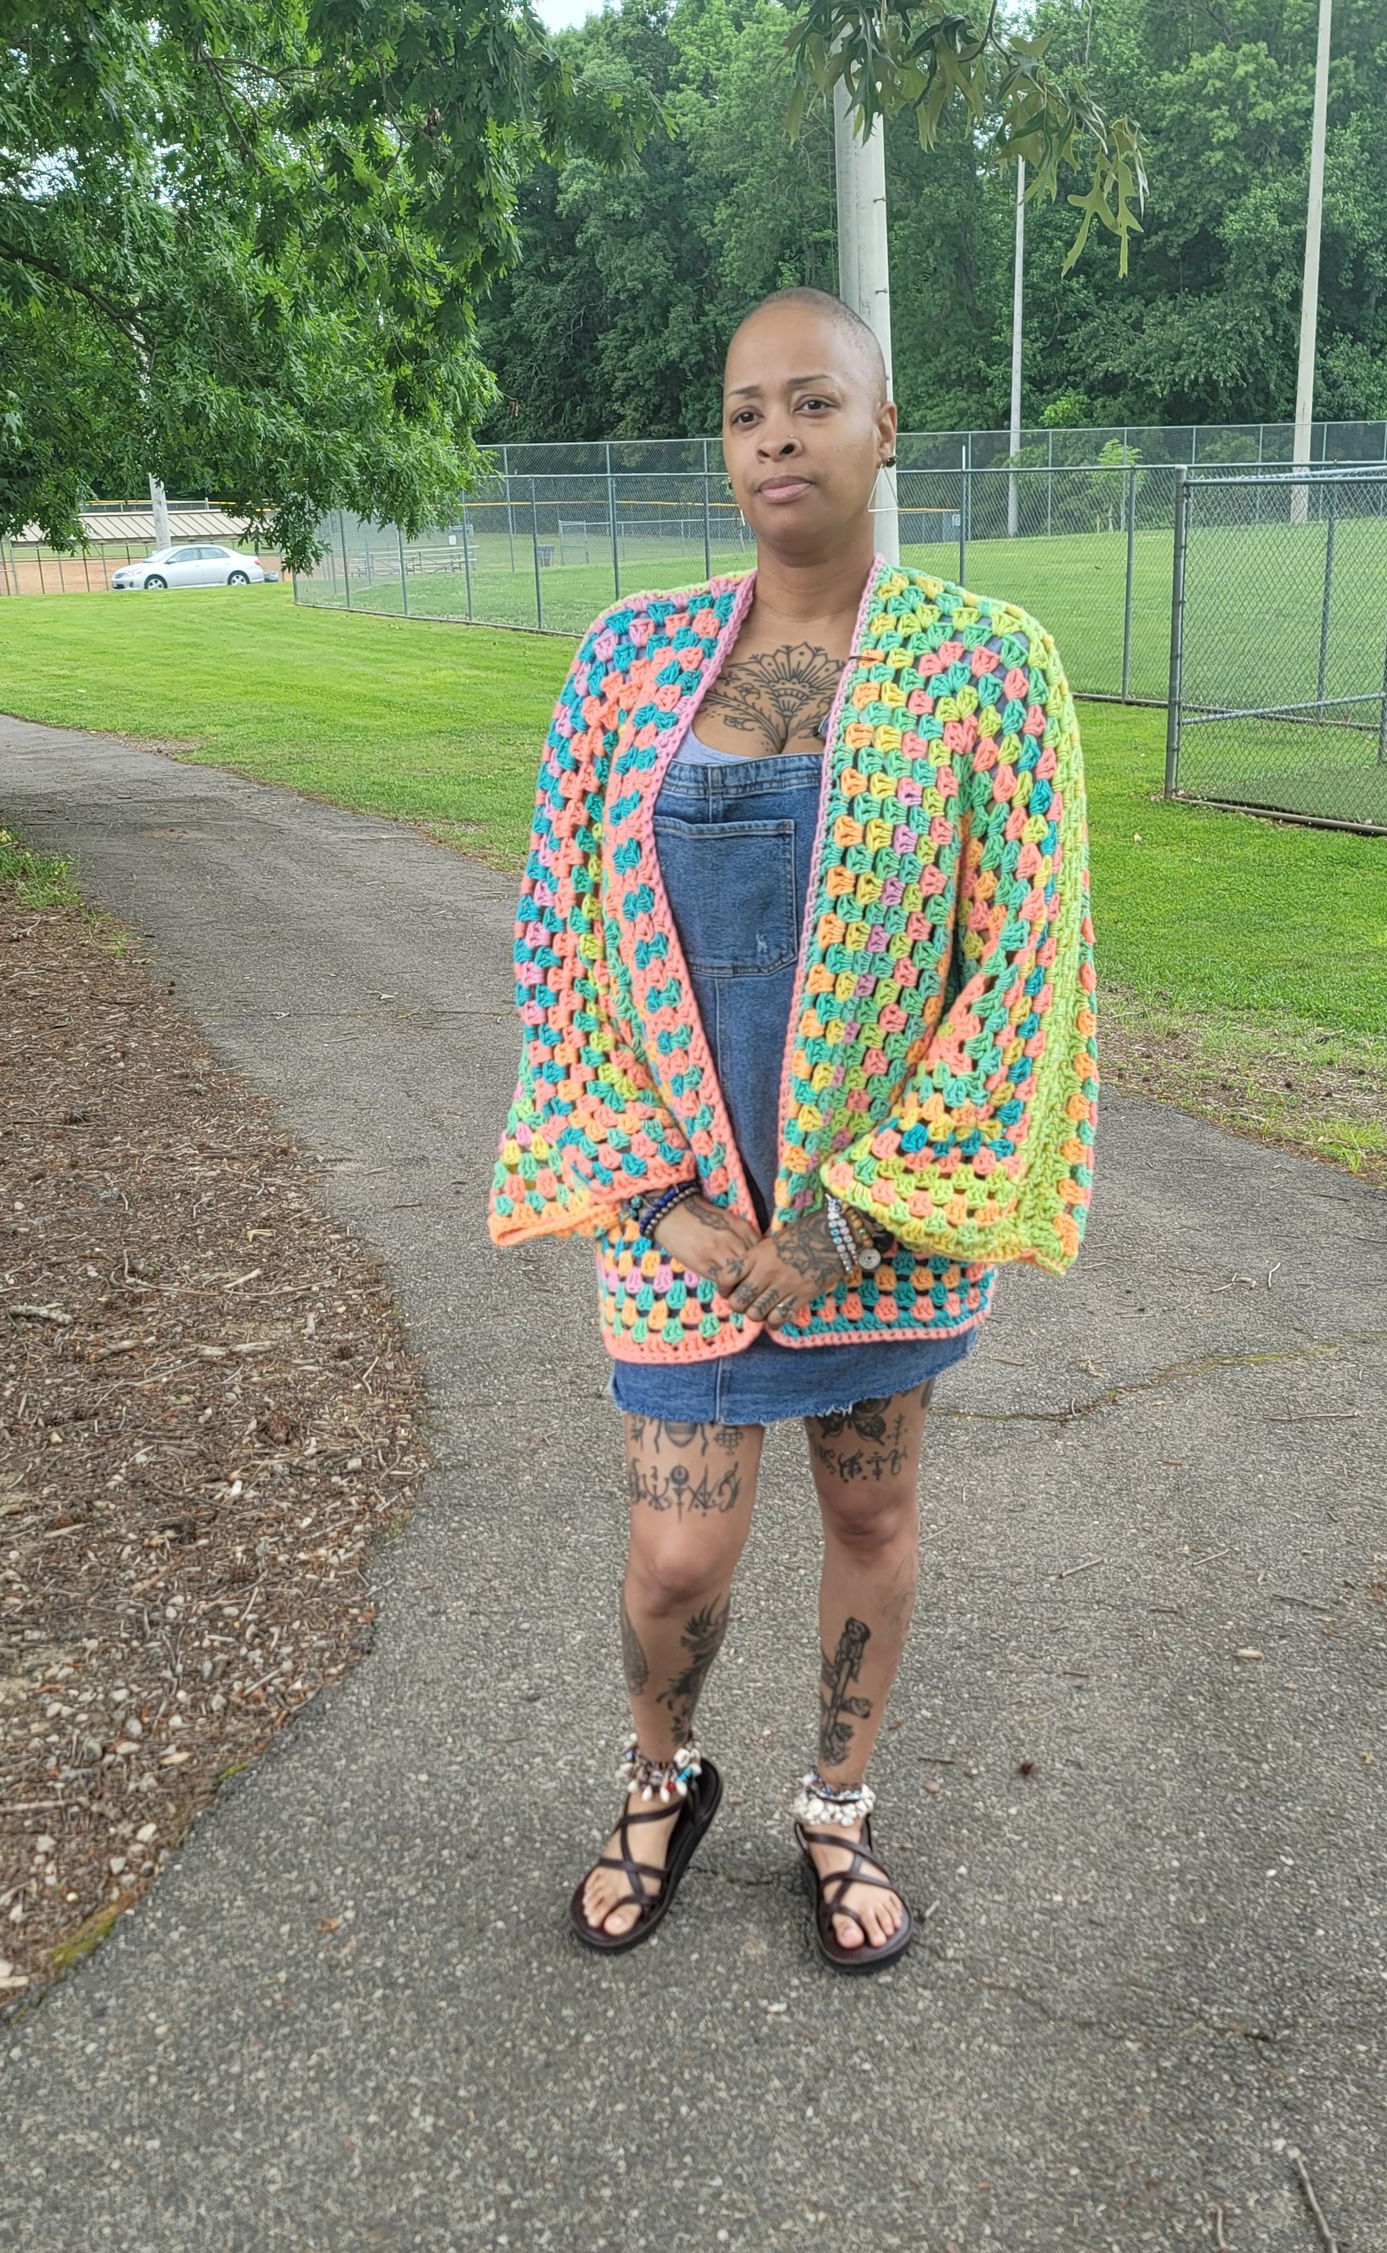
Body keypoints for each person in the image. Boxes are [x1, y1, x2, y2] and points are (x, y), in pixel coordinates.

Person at [488, 285, 1098, 1972]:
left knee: (872, 1522)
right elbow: (563, 943)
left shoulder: (986, 668)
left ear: (885, 426)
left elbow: (1027, 965)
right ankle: (660, 1777)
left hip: (878, 1227)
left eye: (814, 402)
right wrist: (669, 1199)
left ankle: (837, 1809)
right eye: (749, 409)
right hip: (682, 1215)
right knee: (676, 1553)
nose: (777, 435)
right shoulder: (625, 662)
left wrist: (854, 1217)